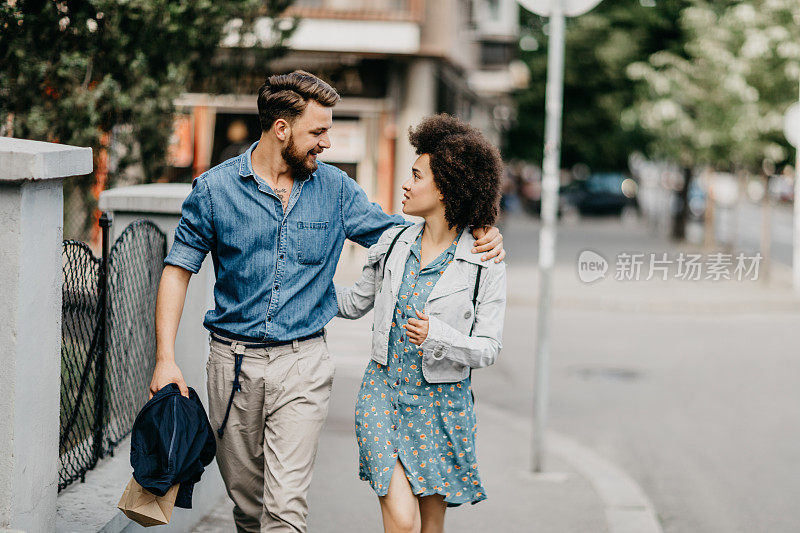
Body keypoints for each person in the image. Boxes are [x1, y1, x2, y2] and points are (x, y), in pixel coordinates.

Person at [148, 71, 506, 533]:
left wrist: (478, 225)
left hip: (303, 363)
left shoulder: (336, 190)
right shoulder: (215, 191)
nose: (327, 143)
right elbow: (177, 270)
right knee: (248, 504)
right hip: (230, 366)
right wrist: (165, 358)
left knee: (286, 508)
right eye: (317, 132)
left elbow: (409, 234)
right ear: (282, 128)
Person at [336, 114, 507, 533]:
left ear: (447, 186)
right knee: (404, 521)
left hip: (442, 404)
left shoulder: (484, 262)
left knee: (431, 526)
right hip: (382, 394)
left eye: (416, 175)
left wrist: (439, 335)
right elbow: (355, 302)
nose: (406, 184)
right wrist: (295, 287)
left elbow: (488, 347)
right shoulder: (394, 242)